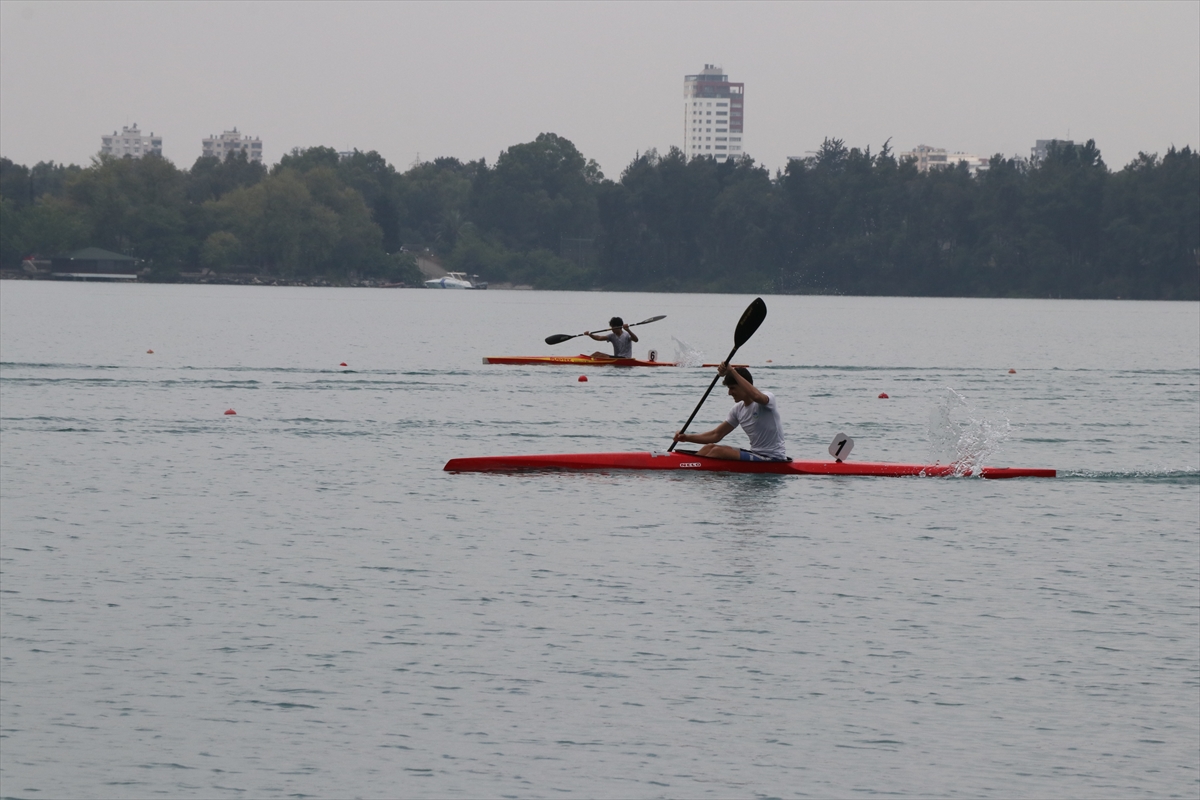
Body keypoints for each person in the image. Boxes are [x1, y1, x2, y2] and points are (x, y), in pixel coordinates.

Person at [672, 364, 788, 461]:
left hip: (773, 458)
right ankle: (687, 466)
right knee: (710, 448)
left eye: (732, 388)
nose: (729, 393)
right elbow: (716, 435)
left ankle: (694, 471)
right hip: (756, 454)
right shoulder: (738, 409)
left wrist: (732, 371)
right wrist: (686, 437)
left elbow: (756, 396)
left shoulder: (767, 399)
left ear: (744, 385)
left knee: (718, 452)